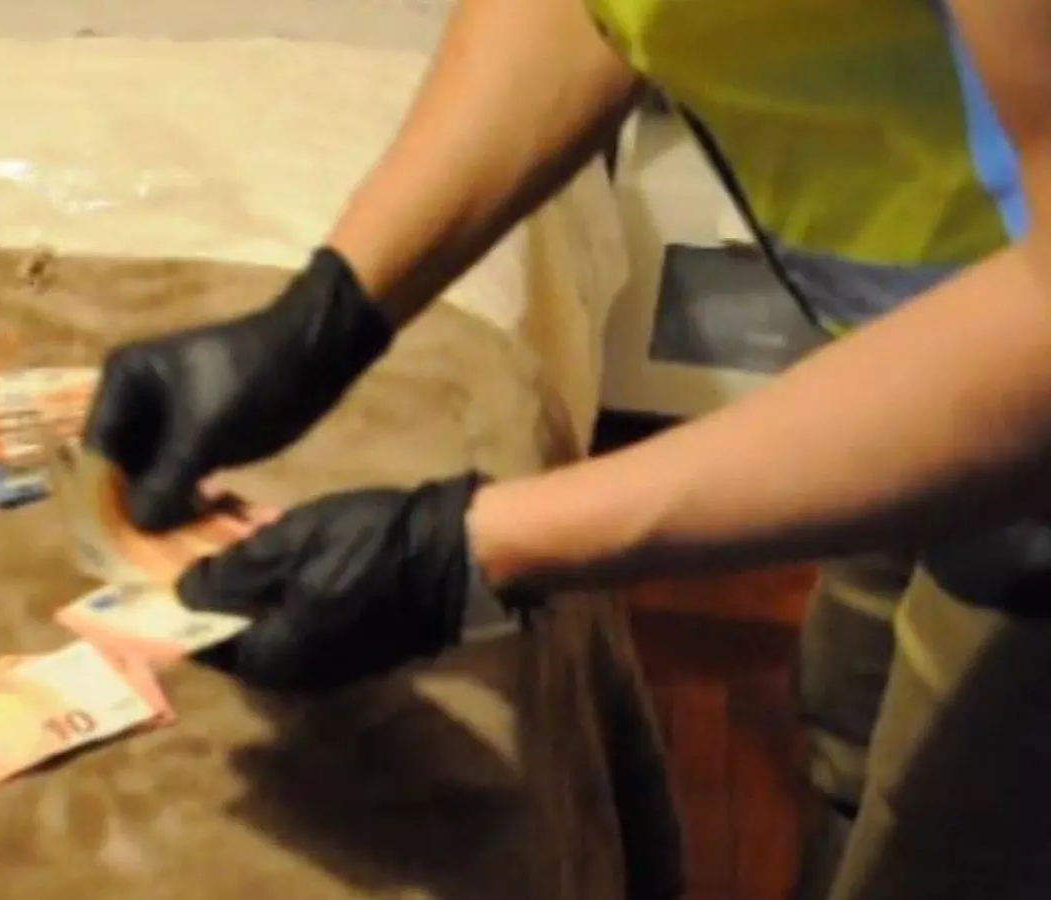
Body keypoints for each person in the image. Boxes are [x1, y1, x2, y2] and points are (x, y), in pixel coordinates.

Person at [82, 0, 1051, 898]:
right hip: (910, 351)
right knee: (847, 718)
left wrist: (472, 546)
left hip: (1020, 416)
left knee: (943, 848)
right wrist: (326, 314)